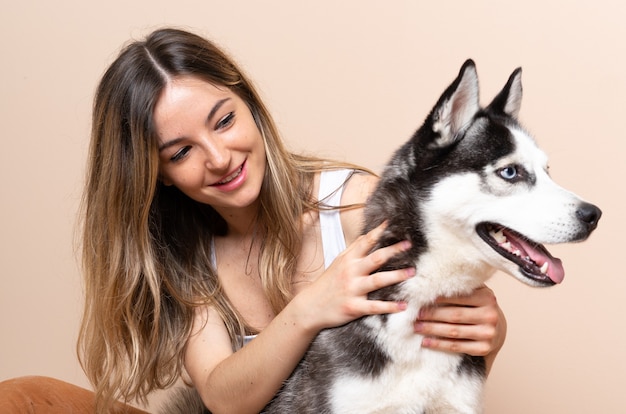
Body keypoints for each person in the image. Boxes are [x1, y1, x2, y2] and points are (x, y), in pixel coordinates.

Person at [78, 27, 507, 413]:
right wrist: (311, 308)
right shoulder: (187, 260)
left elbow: (438, 366)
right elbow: (224, 398)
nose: (219, 158)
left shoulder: (356, 209)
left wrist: (490, 330)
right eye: (181, 152)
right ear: (158, 175)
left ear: (249, 103)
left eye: (224, 121)